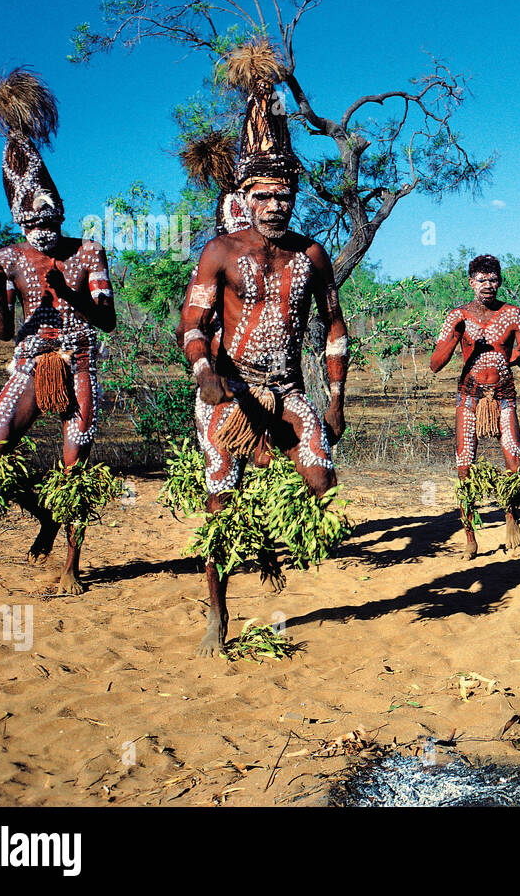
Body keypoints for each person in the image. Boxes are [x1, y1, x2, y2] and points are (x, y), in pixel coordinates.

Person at [179, 44, 349, 656]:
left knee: (321, 482)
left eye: (285, 195)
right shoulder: (221, 252)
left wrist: (335, 398)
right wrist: (204, 371)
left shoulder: (312, 255)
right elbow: (192, 320)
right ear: (246, 196)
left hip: (289, 390)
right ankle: (217, 613)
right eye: (265, 196)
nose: (276, 205)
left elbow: (333, 327)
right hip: (232, 392)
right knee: (222, 502)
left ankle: (275, 545)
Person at [0, 68, 116, 594]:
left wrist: (71, 292)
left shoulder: (88, 252)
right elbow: (2, 331)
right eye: (35, 221)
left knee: (76, 468)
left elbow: (107, 319)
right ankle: (46, 515)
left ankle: (72, 567)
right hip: (32, 363)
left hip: (79, 362)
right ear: (18, 218)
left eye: (52, 216)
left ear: (60, 207)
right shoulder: (9, 258)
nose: (46, 227)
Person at [430, 255, 520, 558]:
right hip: (470, 398)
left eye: (493, 280)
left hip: (504, 396)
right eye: (481, 280)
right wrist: (457, 336)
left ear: (500, 282)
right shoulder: (457, 317)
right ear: (470, 283)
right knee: (465, 466)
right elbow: (435, 364)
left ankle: (512, 528)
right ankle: (470, 538)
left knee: (514, 462)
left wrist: (519, 357)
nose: (487, 286)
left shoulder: (514, 315)